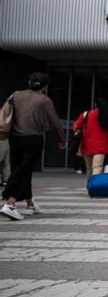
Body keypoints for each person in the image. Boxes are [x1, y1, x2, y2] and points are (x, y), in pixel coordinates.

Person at [1, 72, 65, 221]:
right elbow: (55, 121)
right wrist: (62, 139)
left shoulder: (16, 95)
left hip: (15, 139)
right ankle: (10, 204)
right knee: (23, 171)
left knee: (22, 170)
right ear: (45, 87)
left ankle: (30, 205)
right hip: (33, 140)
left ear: (29, 82)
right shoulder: (44, 100)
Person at [72, 98, 108, 179]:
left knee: (89, 168)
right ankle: (96, 186)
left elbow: (75, 126)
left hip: (86, 146)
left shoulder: (86, 114)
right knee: (97, 167)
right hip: (101, 147)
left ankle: (89, 185)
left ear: (95, 105)